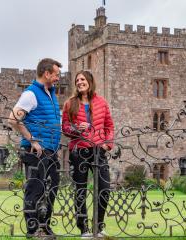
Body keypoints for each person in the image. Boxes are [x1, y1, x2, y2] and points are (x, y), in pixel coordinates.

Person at [8, 58, 62, 238]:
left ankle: (45, 227)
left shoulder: (51, 94)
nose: (58, 78)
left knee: (52, 188)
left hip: (50, 151)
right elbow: (12, 119)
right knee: (35, 190)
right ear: (46, 73)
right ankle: (33, 231)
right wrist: (32, 140)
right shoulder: (31, 94)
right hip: (35, 152)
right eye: (56, 75)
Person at [62, 70, 114, 237]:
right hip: (79, 150)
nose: (79, 82)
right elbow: (65, 127)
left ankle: (98, 227)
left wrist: (108, 144)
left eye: (82, 79)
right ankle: (83, 228)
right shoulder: (70, 103)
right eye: (77, 80)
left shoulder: (102, 102)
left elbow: (109, 127)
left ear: (90, 82)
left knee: (104, 188)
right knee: (80, 190)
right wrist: (77, 129)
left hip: (98, 150)